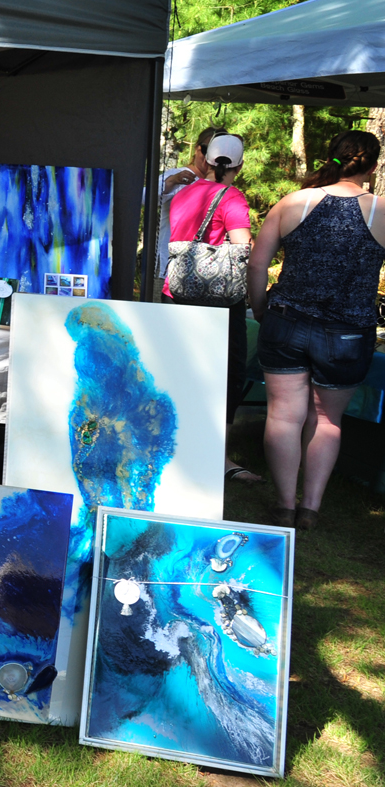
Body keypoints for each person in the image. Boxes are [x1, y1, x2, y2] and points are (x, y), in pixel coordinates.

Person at [249, 130, 384, 530]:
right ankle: (310, 507)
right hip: (348, 332)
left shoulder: (294, 202)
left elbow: (257, 265)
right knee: (327, 420)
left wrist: (260, 309)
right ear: (373, 167)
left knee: (284, 416)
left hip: (286, 321)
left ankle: (284, 504)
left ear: (331, 158)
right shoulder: (380, 210)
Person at [167, 132, 260, 484]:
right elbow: (242, 248)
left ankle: (179, 448)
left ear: (205, 159)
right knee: (227, 376)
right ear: (240, 164)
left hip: (177, 294)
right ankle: (216, 458)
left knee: (182, 372)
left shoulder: (184, 193)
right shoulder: (232, 196)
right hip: (219, 301)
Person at [154, 126, 229, 285]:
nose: (209, 157)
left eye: (217, 153)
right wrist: (171, 181)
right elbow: (143, 198)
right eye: (206, 150)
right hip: (169, 267)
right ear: (196, 149)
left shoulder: (223, 187)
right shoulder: (177, 175)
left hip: (205, 272)